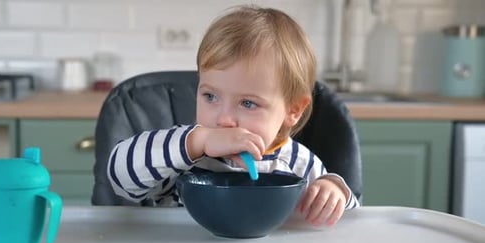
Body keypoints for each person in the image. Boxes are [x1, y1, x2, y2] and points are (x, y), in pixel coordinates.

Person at [107, 5, 360, 227]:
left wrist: (335, 191)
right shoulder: (182, 155)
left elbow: (352, 224)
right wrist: (195, 142)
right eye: (211, 97)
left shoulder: (300, 165)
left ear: (293, 110)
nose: (224, 119)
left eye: (248, 103)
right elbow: (119, 178)